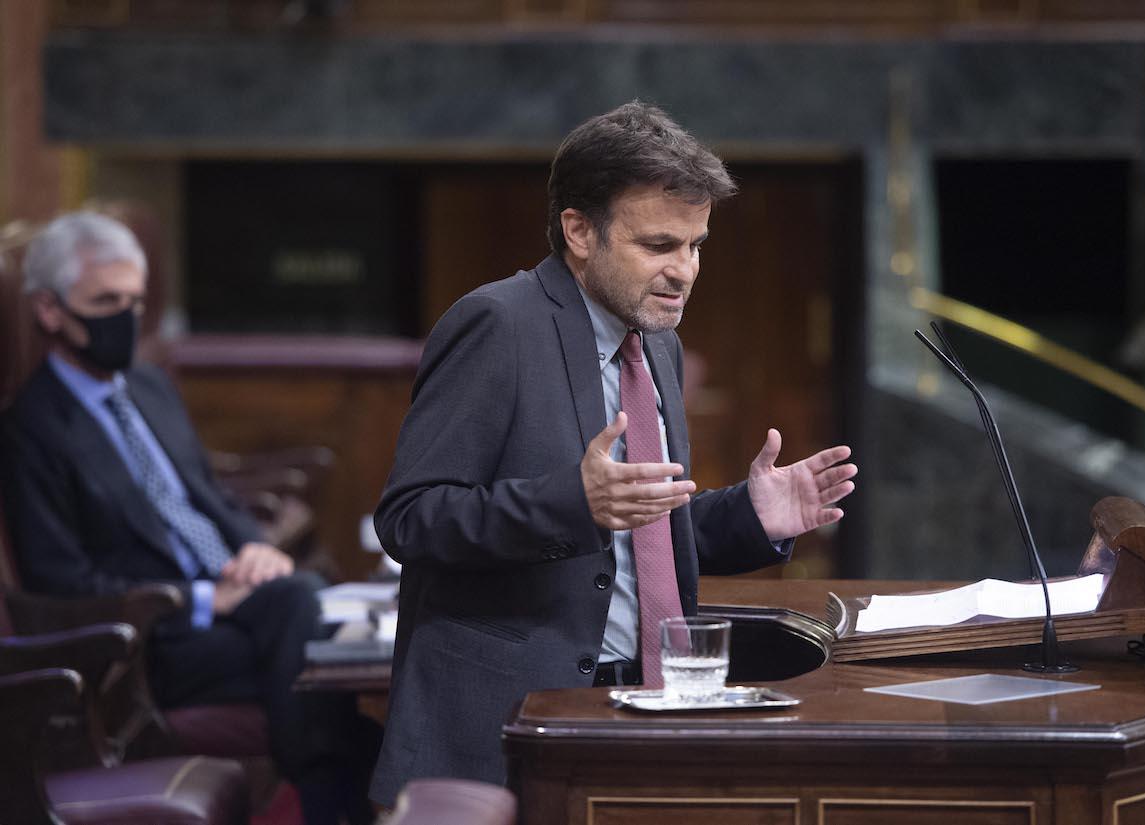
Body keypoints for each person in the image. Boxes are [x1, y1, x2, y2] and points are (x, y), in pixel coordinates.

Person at [369, 100, 858, 799]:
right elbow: (410, 517)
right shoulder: (497, 324)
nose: (684, 270)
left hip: (643, 708)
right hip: (506, 729)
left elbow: (639, 536)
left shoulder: (657, 344)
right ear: (579, 231)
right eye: (659, 245)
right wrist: (574, 501)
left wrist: (751, 516)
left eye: (696, 246)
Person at [0, 211, 375, 825]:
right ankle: (332, 789)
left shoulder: (147, 385)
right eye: (106, 301)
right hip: (150, 641)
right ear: (49, 311)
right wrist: (199, 599)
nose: (125, 318)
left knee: (313, 636)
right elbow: (60, 585)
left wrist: (255, 548)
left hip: (240, 609)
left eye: (136, 302)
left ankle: (329, 790)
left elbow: (211, 496)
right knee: (316, 646)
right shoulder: (31, 431)